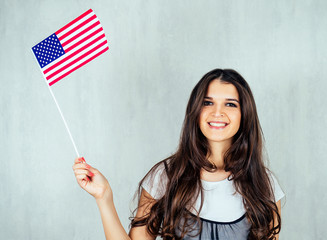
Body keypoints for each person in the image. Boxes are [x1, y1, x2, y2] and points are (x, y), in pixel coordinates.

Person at [72, 69, 284, 240]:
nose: (217, 112)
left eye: (230, 104)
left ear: (245, 114)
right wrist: (104, 197)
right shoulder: (167, 175)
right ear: (195, 111)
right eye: (207, 102)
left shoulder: (263, 184)